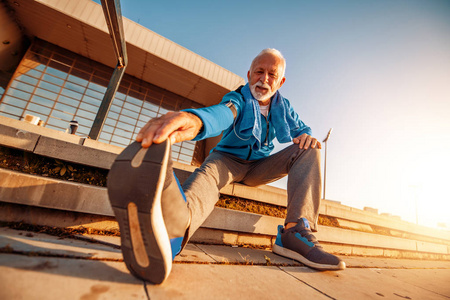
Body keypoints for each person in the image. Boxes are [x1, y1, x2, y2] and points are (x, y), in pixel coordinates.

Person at [107, 48, 345, 284]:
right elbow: (224, 113)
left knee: (310, 149)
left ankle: (294, 233)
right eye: (259, 72)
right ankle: (174, 228)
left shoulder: (284, 108)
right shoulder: (238, 98)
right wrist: (197, 120)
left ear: (280, 81)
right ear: (249, 74)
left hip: (260, 166)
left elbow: (300, 128)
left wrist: (307, 136)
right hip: (227, 160)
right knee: (207, 179)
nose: (264, 79)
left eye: (272, 75)